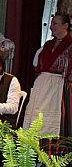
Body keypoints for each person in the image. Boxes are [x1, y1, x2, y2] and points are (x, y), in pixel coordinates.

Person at [22, 14, 72, 150]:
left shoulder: (70, 45)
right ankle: (35, 153)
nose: (51, 27)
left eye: (55, 23)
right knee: (36, 118)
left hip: (58, 87)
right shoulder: (48, 44)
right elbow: (36, 63)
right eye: (51, 23)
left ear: (65, 26)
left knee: (51, 122)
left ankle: (54, 153)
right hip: (42, 86)